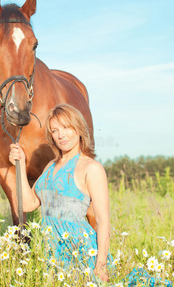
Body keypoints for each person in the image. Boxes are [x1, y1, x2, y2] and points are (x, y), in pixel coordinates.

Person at [9, 103, 112, 282]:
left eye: (66, 127)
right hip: (50, 250)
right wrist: (20, 164)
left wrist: (100, 264)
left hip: (79, 250)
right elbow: (28, 204)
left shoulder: (91, 168)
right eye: (55, 131)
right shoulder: (50, 166)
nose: (61, 135)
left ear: (79, 129)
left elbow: (103, 220)